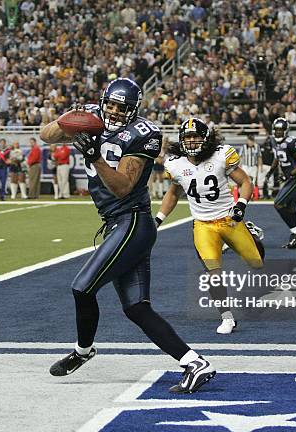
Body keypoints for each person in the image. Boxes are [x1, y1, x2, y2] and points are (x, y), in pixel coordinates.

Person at [40, 78, 216, 393]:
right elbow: (46, 135)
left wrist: (94, 155)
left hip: (133, 222)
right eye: (110, 105)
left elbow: (123, 187)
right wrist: (73, 118)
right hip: (116, 224)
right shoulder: (94, 115)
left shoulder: (144, 134)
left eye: (122, 108)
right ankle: (194, 362)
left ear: (133, 110)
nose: (114, 112)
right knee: (136, 308)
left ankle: (83, 351)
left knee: (82, 287)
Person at [157, 117, 265, 334]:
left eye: (196, 136)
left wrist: (241, 205)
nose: (192, 141)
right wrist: (158, 218)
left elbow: (245, 182)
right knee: (213, 273)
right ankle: (227, 317)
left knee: (257, 263)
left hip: (229, 219)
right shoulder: (175, 164)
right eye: (188, 137)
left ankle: (250, 232)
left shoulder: (220, 156)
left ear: (206, 138)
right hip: (202, 225)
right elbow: (174, 193)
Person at [265, 117, 296, 248]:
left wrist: (290, 174)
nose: (278, 132)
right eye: (276, 130)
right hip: (290, 178)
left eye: (280, 130)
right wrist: (271, 171)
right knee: (290, 208)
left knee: (278, 203)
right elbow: (277, 158)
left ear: (286, 130)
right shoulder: (275, 142)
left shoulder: (291, 142)